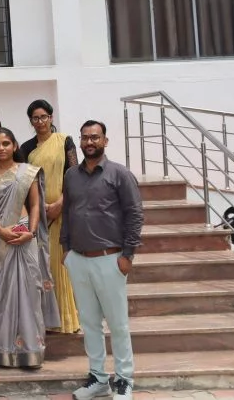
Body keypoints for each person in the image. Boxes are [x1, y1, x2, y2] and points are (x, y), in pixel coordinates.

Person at [63, 121, 144, 400]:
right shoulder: (71, 175)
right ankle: (98, 378)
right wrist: (66, 250)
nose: (89, 142)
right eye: (85, 137)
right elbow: (67, 212)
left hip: (111, 259)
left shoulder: (120, 174)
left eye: (95, 137)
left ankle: (124, 379)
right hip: (79, 259)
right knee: (89, 323)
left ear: (105, 141)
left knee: (117, 324)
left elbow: (135, 214)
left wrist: (128, 254)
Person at [0, 127, 60, 369]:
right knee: (1, 293)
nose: (1, 148)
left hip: (24, 234)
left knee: (29, 291)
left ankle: (31, 351)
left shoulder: (27, 172)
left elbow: (35, 206)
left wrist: (30, 232)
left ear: (14, 146)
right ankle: (3, 351)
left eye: (6, 143)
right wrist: (0, 231)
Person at [20, 99, 80, 335]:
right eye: (35, 118)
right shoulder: (26, 148)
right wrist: (39, 207)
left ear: (51, 117)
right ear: (31, 121)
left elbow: (73, 175)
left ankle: (67, 319)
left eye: (44, 117)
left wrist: (60, 204)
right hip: (40, 213)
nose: (40, 121)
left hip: (64, 211)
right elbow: (25, 181)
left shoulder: (65, 141)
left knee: (62, 266)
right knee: (45, 267)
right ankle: (47, 319)